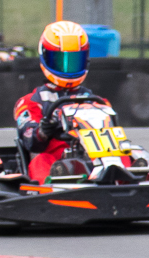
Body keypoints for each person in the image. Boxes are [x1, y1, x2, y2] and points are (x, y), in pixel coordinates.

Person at [13, 21, 104, 183]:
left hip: (94, 161)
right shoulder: (31, 102)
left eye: (74, 61)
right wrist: (42, 131)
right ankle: (48, 189)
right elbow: (28, 138)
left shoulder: (97, 102)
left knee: (133, 152)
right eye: (60, 61)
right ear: (45, 57)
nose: (67, 68)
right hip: (56, 165)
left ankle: (128, 179)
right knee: (40, 161)